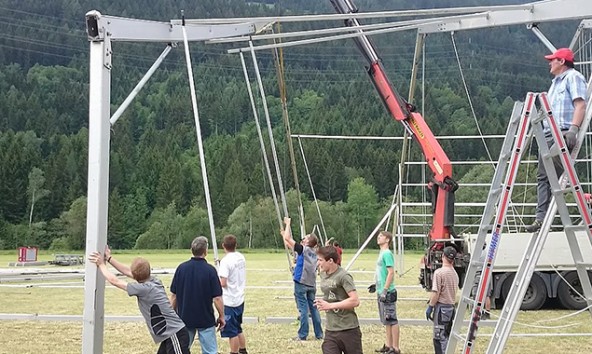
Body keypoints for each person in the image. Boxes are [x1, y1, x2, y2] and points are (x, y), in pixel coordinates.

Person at [526, 47, 588, 233]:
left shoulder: (573, 77)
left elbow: (580, 104)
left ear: (562, 61)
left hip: (562, 132)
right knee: (543, 177)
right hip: (548, 133)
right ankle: (540, 218)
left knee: (552, 176)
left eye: (553, 60)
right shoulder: (555, 84)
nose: (549, 63)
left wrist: (573, 130)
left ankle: (543, 217)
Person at [88, 247, 190, 354]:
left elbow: (115, 281)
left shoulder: (143, 289)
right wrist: (109, 258)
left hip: (175, 333)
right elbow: (127, 271)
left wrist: (101, 264)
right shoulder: (155, 281)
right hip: (171, 334)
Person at [170, 236, 224, 354]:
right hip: (205, 319)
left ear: (191, 250)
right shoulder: (210, 270)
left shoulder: (181, 268)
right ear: (205, 251)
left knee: (181, 350)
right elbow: (217, 298)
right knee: (210, 351)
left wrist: (171, 315)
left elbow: (174, 296)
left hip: (185, 318)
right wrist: (222, 316)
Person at [281, 216, 323, 341]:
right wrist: (285, 234)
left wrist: (288, 224)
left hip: (301, 281)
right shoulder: (314, 252)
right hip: (311, 283)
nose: (303, 238)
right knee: (314, 309)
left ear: (308, 242)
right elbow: (288, 243)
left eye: (306, 237)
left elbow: (289, 239)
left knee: (303, 309)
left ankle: (302, 334)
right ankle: (319, 334)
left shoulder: (303, 250)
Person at [314, 245, 363, 354]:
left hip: (348, 329)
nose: (318, 263)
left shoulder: (344, 276)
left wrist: (330, 305)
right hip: (331, 330)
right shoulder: (323, 273)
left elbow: (355, 301)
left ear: (330, 260)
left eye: (320, 260)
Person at [426, 246, 459, 354]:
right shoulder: (454, 274)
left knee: (439, 338)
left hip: (441, 308)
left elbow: (436, 292)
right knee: (447, 335)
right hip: (451, 307)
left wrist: (430, 306)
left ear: (442, 256)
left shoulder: (439, 273)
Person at [218, 235, 248, 354]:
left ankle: (234, 352)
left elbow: (223, 283)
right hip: (240, 298)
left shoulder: (226, 261)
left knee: (232, 332)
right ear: (236, 245)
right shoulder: (240, 257)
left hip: (230, 300)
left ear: (223, 246)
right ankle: (243, 350)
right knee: (238, 327)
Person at [374, 231, 400, 354]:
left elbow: (390, 272)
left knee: (392, 319)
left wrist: (385, 289)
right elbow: (382, 272)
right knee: (386, 320)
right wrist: (376, 285)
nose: (378, 238)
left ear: (387, 240)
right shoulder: (381, 253)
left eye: (381, 236)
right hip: (381, 290)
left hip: (388, 292)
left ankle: (395, 348)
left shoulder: (387, 253)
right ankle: (389, 346)